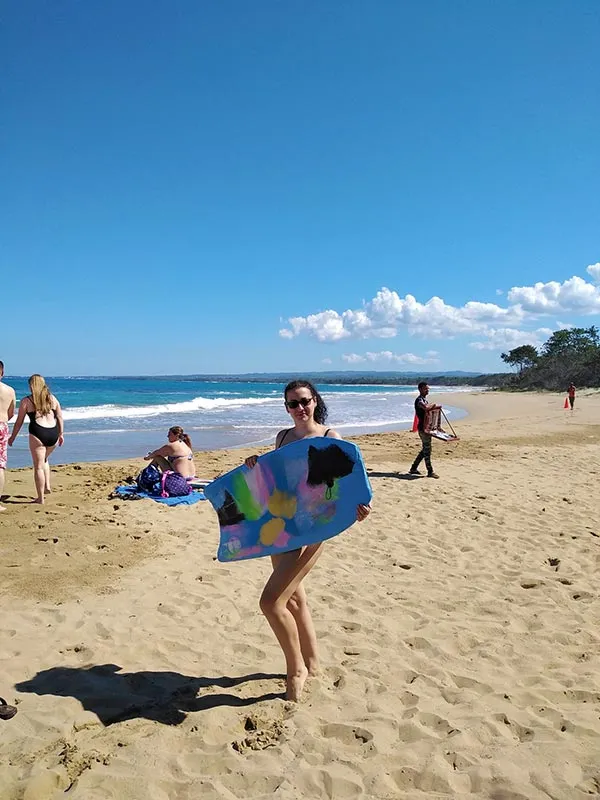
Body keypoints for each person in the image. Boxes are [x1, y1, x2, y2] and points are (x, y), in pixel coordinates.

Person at [244, 380, 371, 702]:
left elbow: (345, 485)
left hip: (315, 531)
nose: (299, 408)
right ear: (286, 408)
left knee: (271, 602)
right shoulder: (282, 438)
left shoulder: (330, 437)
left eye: (304, 401)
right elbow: (276, 481)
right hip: (283, 527)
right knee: (295, 600)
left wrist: (359, 509)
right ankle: (313, 663)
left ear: (315, 401)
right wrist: (256, 466)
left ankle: (295, 670)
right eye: (292, 403)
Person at [8, 374, 64, 504]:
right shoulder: (52, 398)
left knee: (38, 466)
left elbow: (19, 422)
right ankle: (47, 486)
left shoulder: (26, 401)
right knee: (44, 459)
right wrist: (61, 434)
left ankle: (40, 498)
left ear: (32, 386)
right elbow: (60, 417)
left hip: (38, 433)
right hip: (53, 433)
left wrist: (12, 437)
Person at [409, 382, 440, 479]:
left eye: (428, 389)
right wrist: (434, 405)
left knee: (425, 449)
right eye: (425, 389)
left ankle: (413, 468)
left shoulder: (424, 400)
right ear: (420, 389)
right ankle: (430, 471)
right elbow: (426, 408)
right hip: (423, 428)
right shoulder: (419, 400)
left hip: (426, 427)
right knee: (427, 450)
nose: (427, 390)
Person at [0, 361, 17, 512]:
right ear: (2, 372)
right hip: (2, 425)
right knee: (0, 465)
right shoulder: (10, 390)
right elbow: (11, 413)